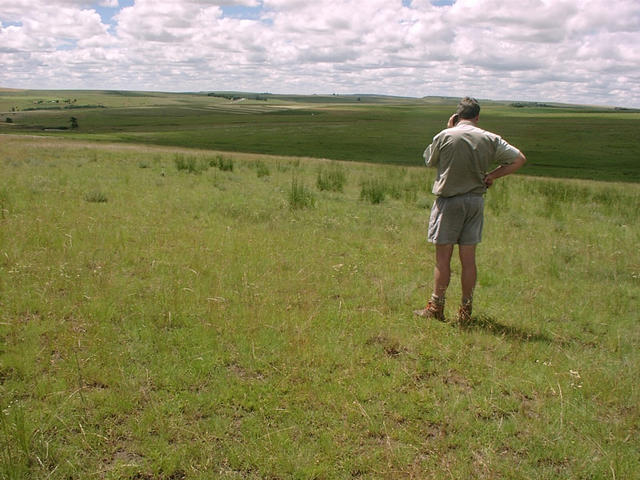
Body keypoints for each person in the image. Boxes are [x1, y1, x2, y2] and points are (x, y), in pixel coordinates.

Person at [414, 97, 527, 323]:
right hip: (475, 201)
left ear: (457, 116)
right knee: (469, 260)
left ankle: (436, 307)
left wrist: (449, 129)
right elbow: (519, 159)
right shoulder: (489, 138)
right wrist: (492, 175)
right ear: (477, 116)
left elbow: (429, 160)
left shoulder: (445, 135)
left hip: (449, 202)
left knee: (443, 259)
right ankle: (465, 311)